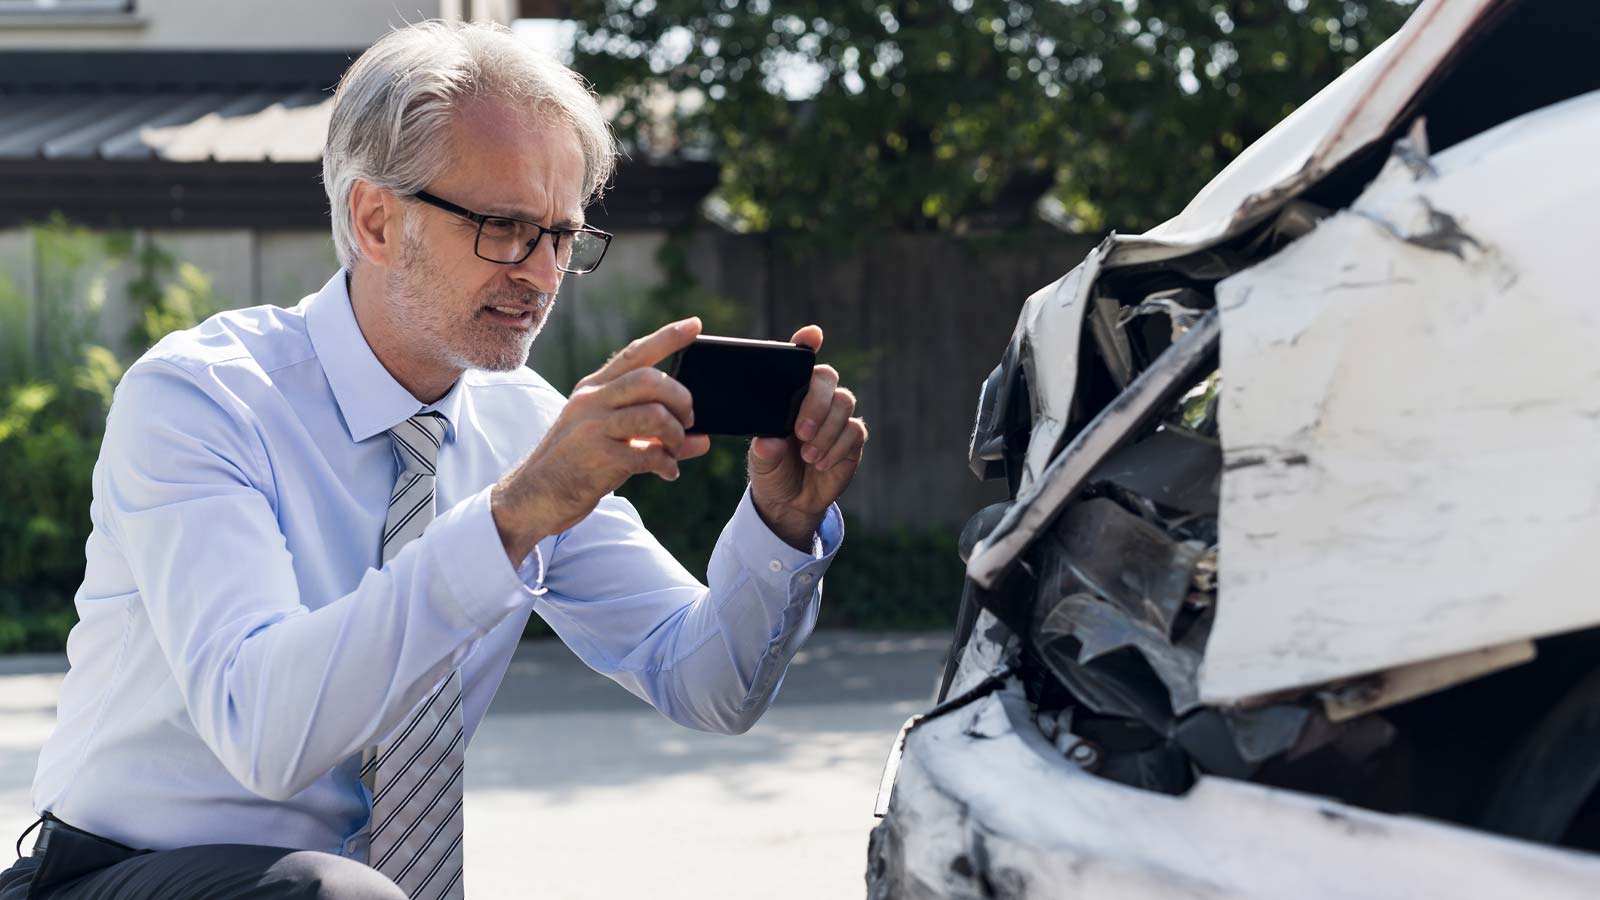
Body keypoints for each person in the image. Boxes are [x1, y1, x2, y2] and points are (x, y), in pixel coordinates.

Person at [0, 19, 865, 900]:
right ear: (375, 219)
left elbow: (706, 682)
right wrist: (511, 517)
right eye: (504, 227)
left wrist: (779, 528)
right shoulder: (201, 398)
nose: (539, 274)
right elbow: (262, 734)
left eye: (562, 237)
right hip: (113, 876)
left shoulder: (524, 425)